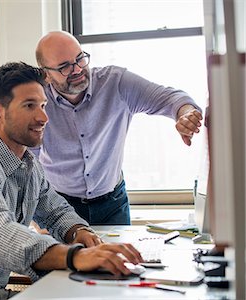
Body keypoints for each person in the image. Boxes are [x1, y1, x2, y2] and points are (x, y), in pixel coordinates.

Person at [0, 62, 143, 300]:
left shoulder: (29, 165)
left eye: (43, 105)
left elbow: (56, 212)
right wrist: (76, 257)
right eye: (30, 106)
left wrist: (80, 233)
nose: (43, 117)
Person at [34, 31, 203, 225]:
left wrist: (185, 114)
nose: (78, 69)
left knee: (121, 256)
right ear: (46, 74)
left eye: (80, 59)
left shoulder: (115, 83)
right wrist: (38, 213)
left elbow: (171, 98)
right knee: (64, 257)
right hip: (59, 206)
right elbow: (27, 160)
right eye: (65, 67)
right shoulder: (37, 101)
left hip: (112, 204)